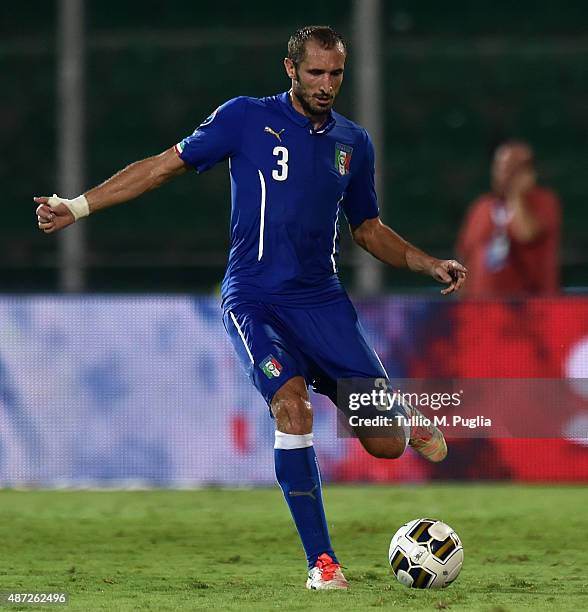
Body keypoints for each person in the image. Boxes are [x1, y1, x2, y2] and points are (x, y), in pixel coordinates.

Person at [35, 25, 466, 590]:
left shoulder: (353, 143)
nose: (326, 84)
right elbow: (163, 165)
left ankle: (404, 423)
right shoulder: (243, 118)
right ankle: (323, 563)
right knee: (292, 409)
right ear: (290, 69)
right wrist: (77, 206)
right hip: (254, 299)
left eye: (336, 73)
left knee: (385, 445)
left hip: (322, 304)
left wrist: (426, 263)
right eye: (316, 72)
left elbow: (366, 228)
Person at [456, 141, 560, 297]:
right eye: (500, 166)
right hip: (481, 309)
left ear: (528, 172)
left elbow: (526, 234)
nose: (504, 172)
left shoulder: (544, 201)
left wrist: (516, 195)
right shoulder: (481, 206)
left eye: (513, 168)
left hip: (531, 309)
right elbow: (465, 257)